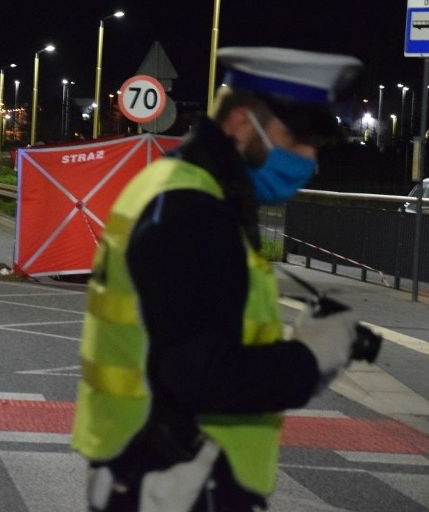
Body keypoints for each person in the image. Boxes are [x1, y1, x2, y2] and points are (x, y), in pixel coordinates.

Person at [71, 47, 366, 511]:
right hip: (178, 478)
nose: (309, 159)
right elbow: (201, 376)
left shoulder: (174, 185)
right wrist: (308, 358)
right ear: (243, 125)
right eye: (298, 140)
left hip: (153, 468)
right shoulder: (195, 212)